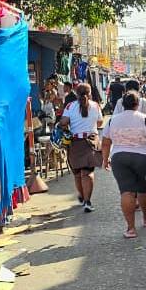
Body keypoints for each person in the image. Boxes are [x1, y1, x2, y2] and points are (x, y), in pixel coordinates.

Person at [101, 91, 146, 239]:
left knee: (127, 192)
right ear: (138, 104)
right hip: (144, 157)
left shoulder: (113, 120)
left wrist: (105, 159)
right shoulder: (145, 119)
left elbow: (106, 142)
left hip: (119, 158)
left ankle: (130, 229)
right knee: (144, 190)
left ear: (123, 105)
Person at [59, 84, 104, 213]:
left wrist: (64, 123)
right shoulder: (95, 106)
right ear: (89, 93)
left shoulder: (70, 106)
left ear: (76, 94)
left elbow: (64, 122)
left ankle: (83, 197)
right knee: (88, 172)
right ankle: (87, 201)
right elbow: (100, 122)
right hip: (91, 141)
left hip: (75, 143)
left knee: (78, 174)